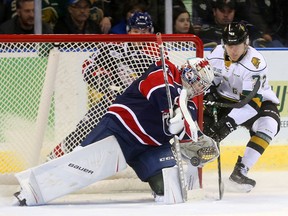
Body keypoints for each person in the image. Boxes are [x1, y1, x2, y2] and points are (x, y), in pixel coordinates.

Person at [14, 56, 218, 206]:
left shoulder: (189, 107)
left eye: (203, 85)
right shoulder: (163, 71)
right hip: (120, 130)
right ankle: (30, 189)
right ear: (189, 74)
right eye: (200, 81)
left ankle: (157, 181)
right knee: (78, 164)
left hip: (151, 149)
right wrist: (171, 109)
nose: (200, 88)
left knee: (171, 191)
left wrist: (195, 141)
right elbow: (156, 92)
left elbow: (184, 138)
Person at [204, 22, 281, 192]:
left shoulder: (255, 64)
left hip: (255, 103)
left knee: (269, 125)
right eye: (229, 45)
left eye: (237, 44)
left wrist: (227, 124)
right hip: (223, 100)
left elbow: (251, 106)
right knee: (202, 137)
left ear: (246, 42)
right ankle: (189, 176)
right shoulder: (215, 54)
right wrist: (208, 91)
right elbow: (207, 80)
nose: (233, 50)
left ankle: (240, 171)